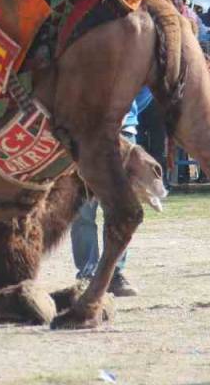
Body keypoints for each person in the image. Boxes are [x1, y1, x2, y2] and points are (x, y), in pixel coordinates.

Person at [71, 89, 151, 297]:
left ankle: (115, 273)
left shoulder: (133, 57)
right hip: (84, 130)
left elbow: (146, 89)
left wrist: (127, 113)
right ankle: (87, 273)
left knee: (120, 210)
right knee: (83, 210)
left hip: (124, 129)